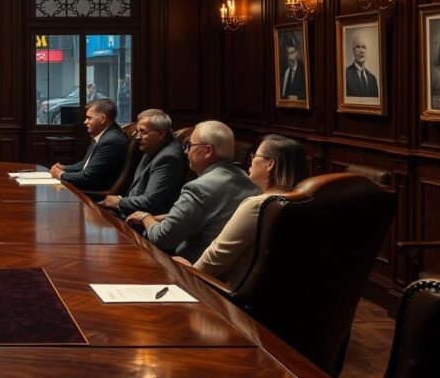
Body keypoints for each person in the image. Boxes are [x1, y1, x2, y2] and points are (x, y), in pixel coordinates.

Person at [176, 134, 310, 290]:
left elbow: (214, 260)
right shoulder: (304, 202)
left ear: (270, 164)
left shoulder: (258, 205)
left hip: (231, 297)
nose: (251, 161)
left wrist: (189, 270)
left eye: (255, 155)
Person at [126, 120, 259, 262]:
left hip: (192, 269)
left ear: (208, 150)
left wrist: (145, 217)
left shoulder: (198, 188)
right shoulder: (249, 180)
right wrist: (164, 217)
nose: (185, 151)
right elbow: (212, 216)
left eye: (189, 146)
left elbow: (162, 238)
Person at [101, 109, 184, 218]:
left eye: (143, 132)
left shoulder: (168, 158)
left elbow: (150, 202)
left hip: (142, 221)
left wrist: (118, 202)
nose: (137, 137)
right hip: (128, 211)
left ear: (161, 134)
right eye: (137, 132)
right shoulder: (153, 147)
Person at [49, 98, 128, 192]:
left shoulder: (111, 141)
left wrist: (60, 175)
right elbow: (84, 165)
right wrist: (64, 168)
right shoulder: (103, 135)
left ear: (102, 119)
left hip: (95, 193)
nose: (85, 122)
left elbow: (87, 178)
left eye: (89, 118)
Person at [344, 32, 379, 98]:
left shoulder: (373, 79)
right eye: (358, 47)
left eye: (364, 47)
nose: (361, 51)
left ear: (367, 51)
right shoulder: (345, 74)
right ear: (353, 50)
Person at [279, 36, 306, 100]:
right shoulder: (287, 72)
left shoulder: (304, 70)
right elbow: (283, 95)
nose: (289, 57)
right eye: (288, 53)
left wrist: (298, 98)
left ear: (297, 53)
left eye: (292, 53)